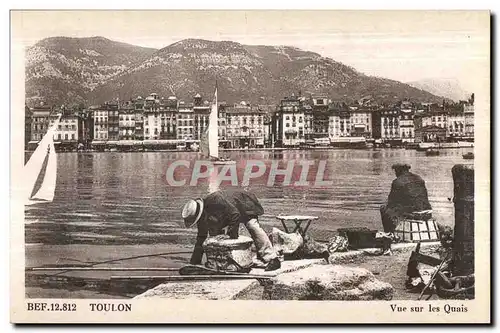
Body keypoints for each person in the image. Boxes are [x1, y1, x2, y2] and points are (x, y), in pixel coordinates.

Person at [182, 189, 281, 271]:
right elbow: (201, 237)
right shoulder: (201, 218)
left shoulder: (216, 200)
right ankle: (221, 261)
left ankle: (272, 258)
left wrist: (230, 235)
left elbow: (235, 214)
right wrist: (195, 262)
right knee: (214, 233)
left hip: (244, 204)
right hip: (230, 211)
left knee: (252, 226)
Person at [380, 163, 432, 233]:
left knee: (384, 208)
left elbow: (391, 202)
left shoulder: (397, 182)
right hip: (427, 211)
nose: (395, 174)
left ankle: (389, 233)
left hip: (412, 213)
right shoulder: (419, 178)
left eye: (395, 171)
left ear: (399, 171)